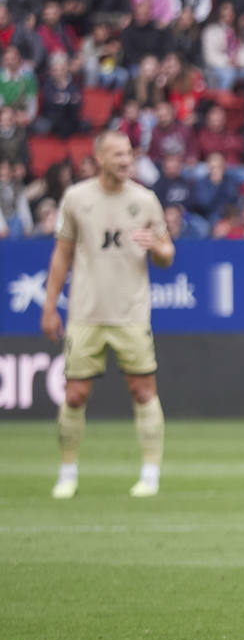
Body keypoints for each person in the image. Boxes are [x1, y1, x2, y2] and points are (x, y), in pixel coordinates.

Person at [40, 131, 174, 499]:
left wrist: (157, 248)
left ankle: (150, 474)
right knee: (75, 395)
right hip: (86, 312)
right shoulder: (77, 198)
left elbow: (167, 255)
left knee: (143, 390)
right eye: (117, 154)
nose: (125, 160)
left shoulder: (145, 200)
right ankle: (67, 472)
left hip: (131, 314)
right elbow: (62, 255)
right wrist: (50, 306)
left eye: (129, 153)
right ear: (99, 158)